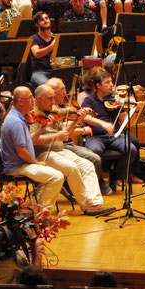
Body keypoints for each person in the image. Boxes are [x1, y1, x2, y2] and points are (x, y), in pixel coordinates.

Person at [30, 85, 114, 216]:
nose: (53, 103)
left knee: (87, 165)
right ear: (39, 98)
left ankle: (96, 203)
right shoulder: (32, 114)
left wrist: (77, 121)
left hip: (60, 150)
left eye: (53, 98)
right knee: (72, 167)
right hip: (43, 154)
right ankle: (87, 206)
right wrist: (55, 136)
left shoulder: (51, 112)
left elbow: (65, 134)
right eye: (50, 99)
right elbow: (33, 140)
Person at [45, 77, 112, 196]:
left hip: (66, 144)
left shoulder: (59, 108)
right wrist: (82, 129)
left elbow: (66, 126)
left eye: (65, 89)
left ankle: (88, 189)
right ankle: (80, 186)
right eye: (62, 89)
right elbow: (64, 133)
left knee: (91, 155)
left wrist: (79, 118)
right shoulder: (49, 111)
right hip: (60, 147)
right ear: (53, 91)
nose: (66, 93)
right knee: (93, 158)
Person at [1, 86, 64, 205]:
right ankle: (39, 213)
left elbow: (28, 140)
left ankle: (35, 208)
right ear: (20, 102)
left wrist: (41, 128)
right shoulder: (16, 122)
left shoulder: (18, 117)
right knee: (56, 177)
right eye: (30, 98)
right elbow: (21, 151)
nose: (33, 100)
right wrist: (37, 163)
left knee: (54, 176)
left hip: (22, 164)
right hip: (18, 166)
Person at [81, 71, 145, 188]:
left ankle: (116, 175)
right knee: (94, 150)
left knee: (131, 149)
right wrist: (103, 124)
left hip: (114, 135)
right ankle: (98, 179)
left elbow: (126, 123)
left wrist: (135, 111)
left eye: (111, 81)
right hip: (96, 136)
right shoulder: (89, 101)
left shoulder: (115, 101)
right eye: (107, 82)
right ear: (98, 86)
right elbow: (85, 116)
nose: (112, 85)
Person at [29, 11, 55, 88]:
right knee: (48, 87)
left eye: (46, 18)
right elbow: (37, 54)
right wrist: (52, 46)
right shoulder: (34, 38)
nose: (45, 20)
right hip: (39, 72)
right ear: (37, 24)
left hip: (55, 70)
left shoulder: (56, 37)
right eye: (41, 20)